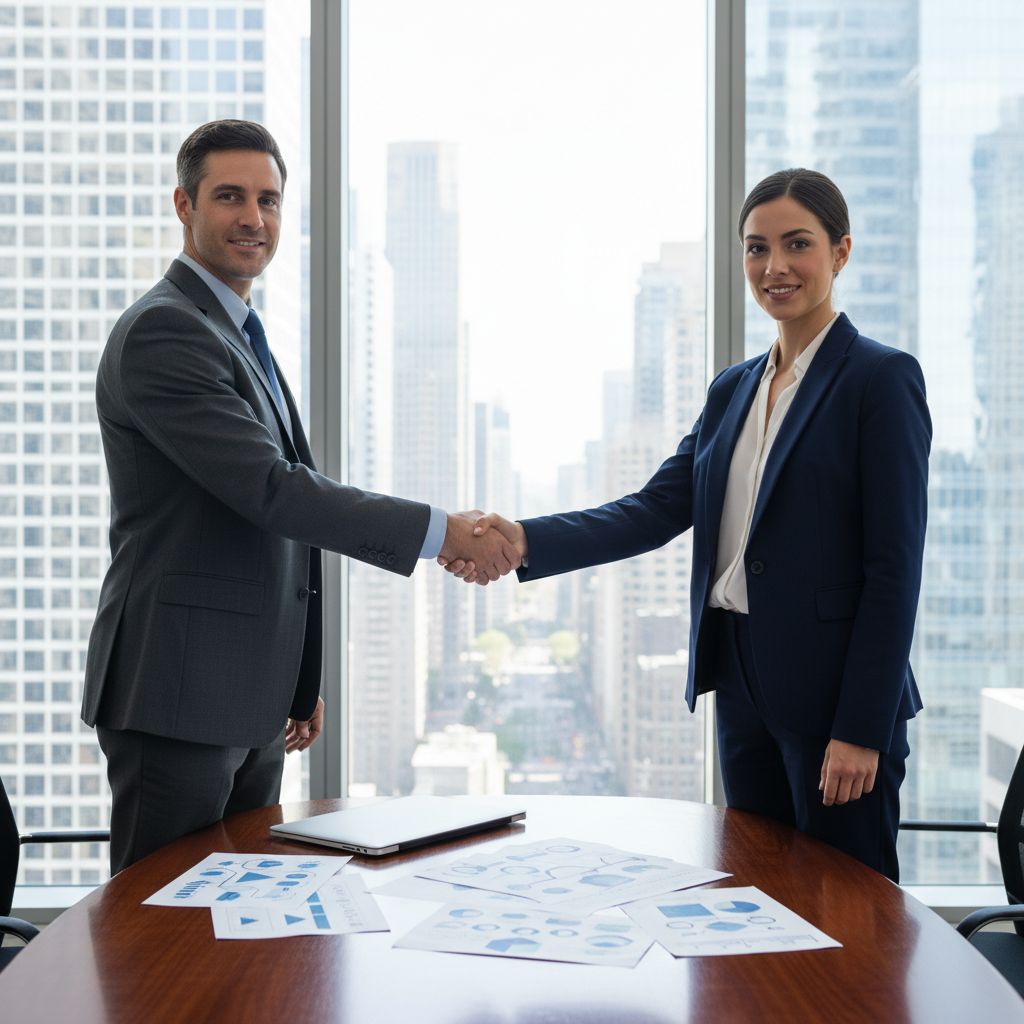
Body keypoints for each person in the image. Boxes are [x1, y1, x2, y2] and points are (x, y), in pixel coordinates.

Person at [443, 168, 931, 882]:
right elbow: (653, 510)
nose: (775, 267)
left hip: (835, 697)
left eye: (798, 244)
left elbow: (896, 571)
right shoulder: (732, 389)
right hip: (740, 683)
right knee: (756, 896)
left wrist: (861, 728)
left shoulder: (879, 380)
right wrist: (522, 539)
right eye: (756, 248)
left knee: (845, 909)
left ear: (841, 252)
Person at [83, 120, 519, 874]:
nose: (254, 217)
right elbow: (274, 493)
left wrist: (296, 677)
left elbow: (276, 531)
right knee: (158, 939)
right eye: (230, 197)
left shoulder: (237, 331)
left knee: (242, 919)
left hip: (247, 693)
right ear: (184, 205)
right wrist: (442, 530)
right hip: (180, 692)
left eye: (269, 199)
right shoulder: (166, 331)